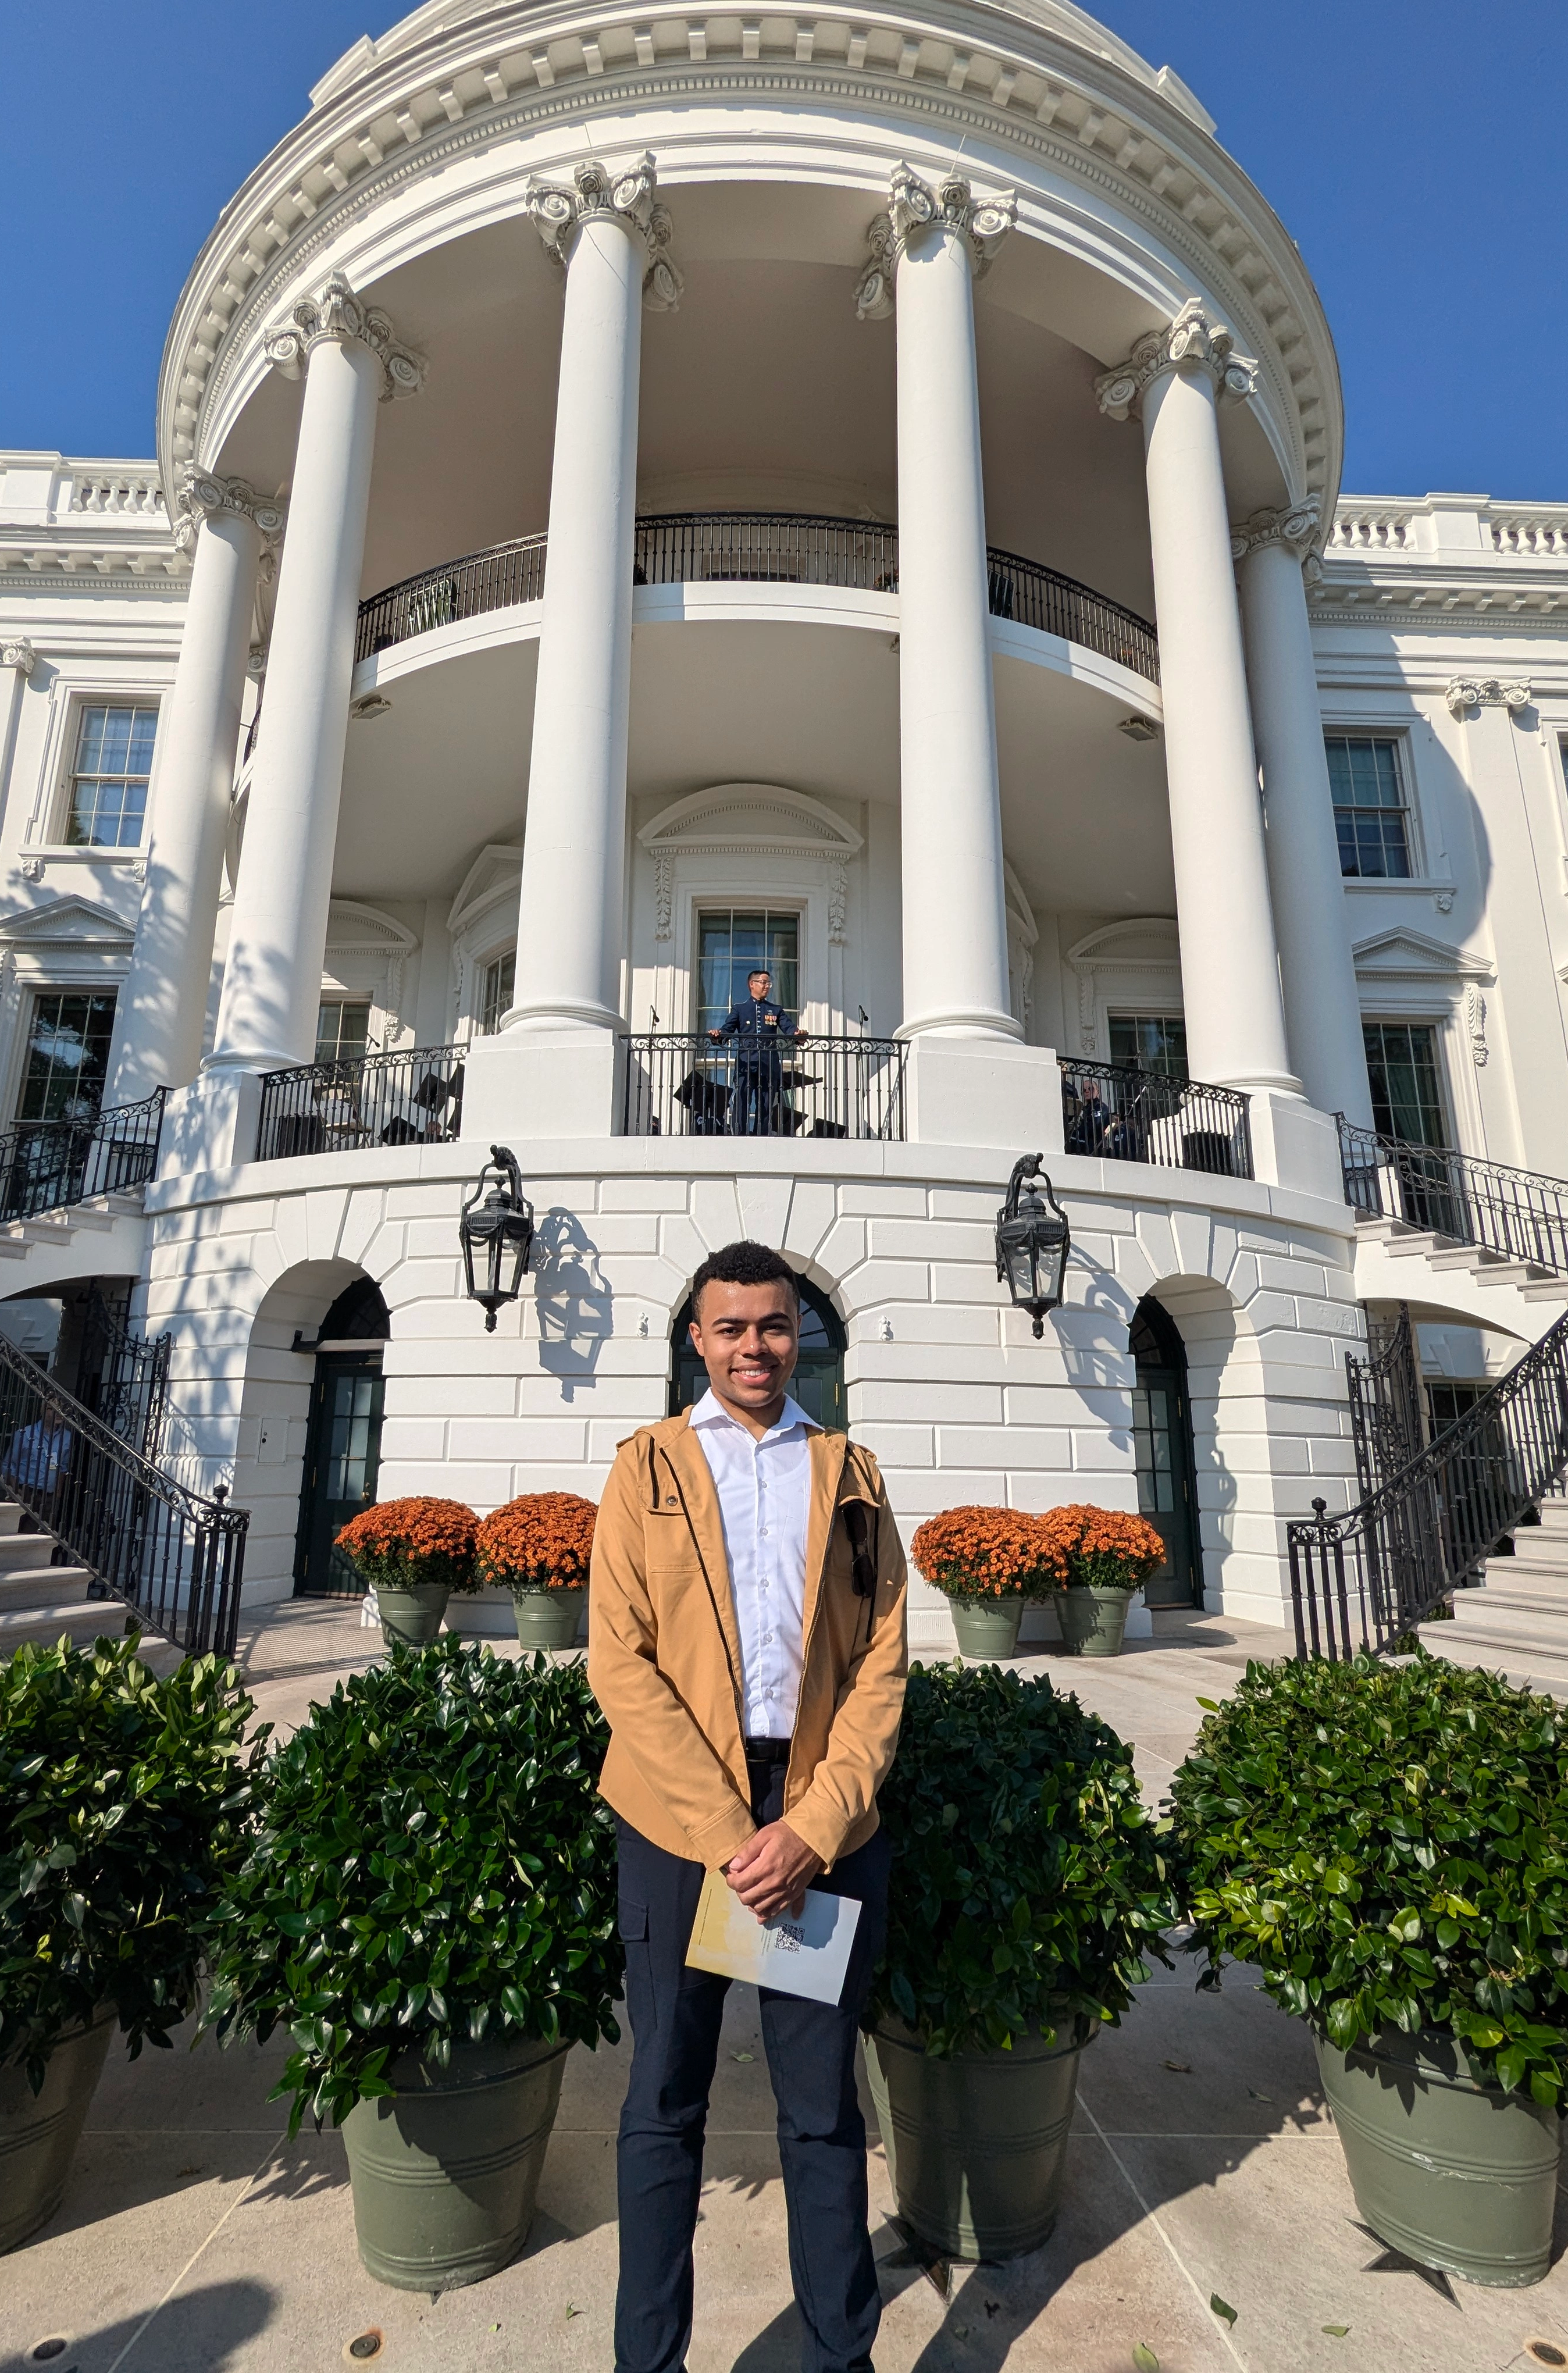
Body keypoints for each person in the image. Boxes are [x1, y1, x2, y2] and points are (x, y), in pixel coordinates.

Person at [589, 1240, 908, 2373]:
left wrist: (811, 1830)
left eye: (773, 1326)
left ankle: (841, 2358)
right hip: (684, 1824)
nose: (755, 1347)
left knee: (820, 2109)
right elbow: (620, 1666)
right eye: (731, 1329)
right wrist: (736, 1837)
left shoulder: (853, 1472)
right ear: (698, 1338)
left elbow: (881, 1665)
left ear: (798, 1333)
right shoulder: (648, 1469)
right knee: (664, 2101)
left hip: (815, 1818)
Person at [708, 965, 803, 1136]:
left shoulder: (776, 1010)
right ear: (752, 984)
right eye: (764, 982)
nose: (767, 986)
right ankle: (741, 1133)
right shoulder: (740, 1009)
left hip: (769, 1064)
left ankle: (763, 1133)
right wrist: (718, 1035)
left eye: (769, 984)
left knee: (766, 1102)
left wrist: (798, 1035)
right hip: (746, 1062)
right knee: (742, 1099)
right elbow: (727, 1031)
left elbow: (790, 1029)